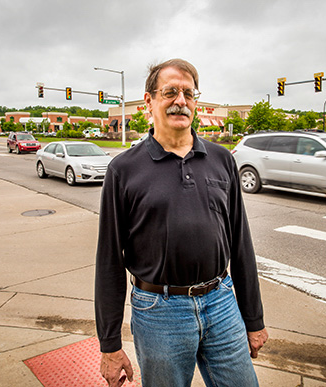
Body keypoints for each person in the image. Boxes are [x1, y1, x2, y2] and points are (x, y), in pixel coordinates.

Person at [95, 58, 268, 387]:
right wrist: (110, 345)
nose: (180, 101)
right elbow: (108, 262)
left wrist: (254, 318)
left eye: (189, 93)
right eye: (170, 92)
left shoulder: (221, 160)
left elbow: (241, 243)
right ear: (149, 101)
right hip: (159, 312)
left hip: (221, 300)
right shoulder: (123, 170)